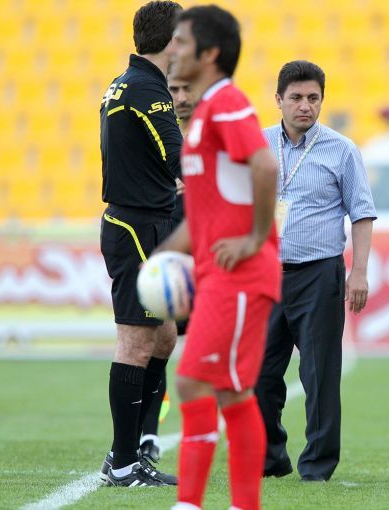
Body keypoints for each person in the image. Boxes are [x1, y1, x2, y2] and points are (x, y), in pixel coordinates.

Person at [155, 5, 280, 510]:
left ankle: (190, 503)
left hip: (239, 275)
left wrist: (254, 239)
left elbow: (265, 166)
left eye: (183, 42)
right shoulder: (205, 112)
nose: (174, 50)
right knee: (229, 392)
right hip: (216, 275)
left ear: (209, 53)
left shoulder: (226, 103)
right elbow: (205, 212)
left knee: (192, 381)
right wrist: (165, 254)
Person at [255, 60, 376, 482]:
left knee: (319, 375)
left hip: (319, 273)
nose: (305, 106)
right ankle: (270, 457)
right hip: (264, 275)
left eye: (313, 98)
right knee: (259, 374)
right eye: (296, 98)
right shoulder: (257, 145)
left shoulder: (342, 150)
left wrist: (359, 272)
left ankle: (317, 466)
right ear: (278, 100)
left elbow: (362, 213)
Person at [98, 0, 182, 487]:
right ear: (172, 40)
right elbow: (179, 157)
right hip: (136, 226)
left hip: (147, 221)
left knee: (164, 336)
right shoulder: (148, 90)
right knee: (135, 341)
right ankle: (124, 462)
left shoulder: (124, 83)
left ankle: (127, 452)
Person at [139, 74, 197, 463]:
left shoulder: (213, 139)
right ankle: (148, 434)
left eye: (186, 89)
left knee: (218, 355)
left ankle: (229, 429)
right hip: (163, 264)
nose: (180, 97)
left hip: (209, 264)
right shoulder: (153, 136)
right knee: (154, 349)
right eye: (173, 90)